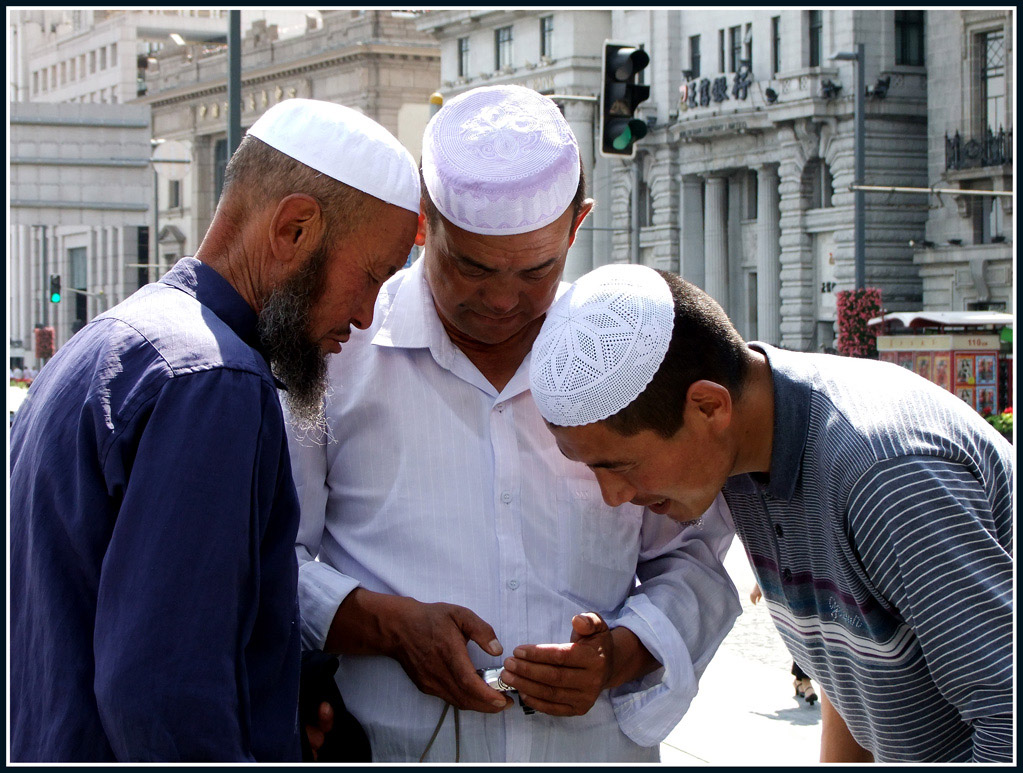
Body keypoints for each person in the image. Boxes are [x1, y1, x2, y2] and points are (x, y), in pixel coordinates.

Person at [287, 85, 741, 762]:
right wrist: (383, 624)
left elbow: (692, 558)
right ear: (423, 223)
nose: (502, 299)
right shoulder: (335, 351)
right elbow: (270, 555)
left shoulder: (629, 358)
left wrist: (619, 652)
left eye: (536, 269)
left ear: (577, 226)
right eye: (470, 267)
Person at [9, 98, 421, 762]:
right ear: (294, 228)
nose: (367, 315)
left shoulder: (104, 345)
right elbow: (164, 692)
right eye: (370, 275)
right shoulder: (213, 381)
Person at [528, 264, 1014, 763]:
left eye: (621, 466)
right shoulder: (748, 445)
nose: (612, 496)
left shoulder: (885, 476)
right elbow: (851, 667)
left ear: (708, 408)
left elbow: (1009, 718)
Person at [749, 584, 816, 705]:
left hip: (817, 584)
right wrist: (759, 584)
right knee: (804, 630)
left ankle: (800, 681)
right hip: (794, 583)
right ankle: (805, 680)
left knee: (805, 631)